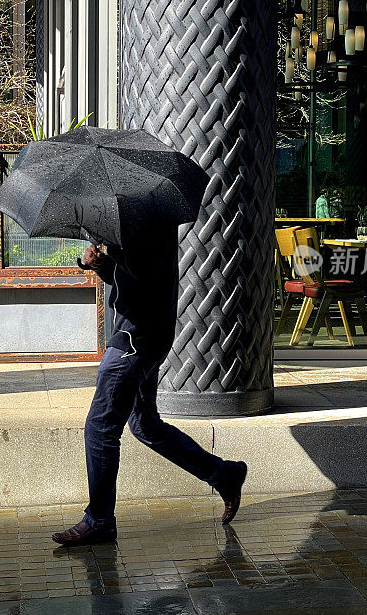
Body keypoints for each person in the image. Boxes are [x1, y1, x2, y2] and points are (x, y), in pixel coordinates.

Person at [51, 224, 248, 546]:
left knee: (100, 428)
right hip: (146, 336)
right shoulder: (146, 224)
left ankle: (99, 520)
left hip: (134, 341)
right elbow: (130, 281)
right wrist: (103, 264)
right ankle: (223, 474)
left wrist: (103, 260)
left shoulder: (143, 230)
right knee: (144, 424)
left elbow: (140, 285)